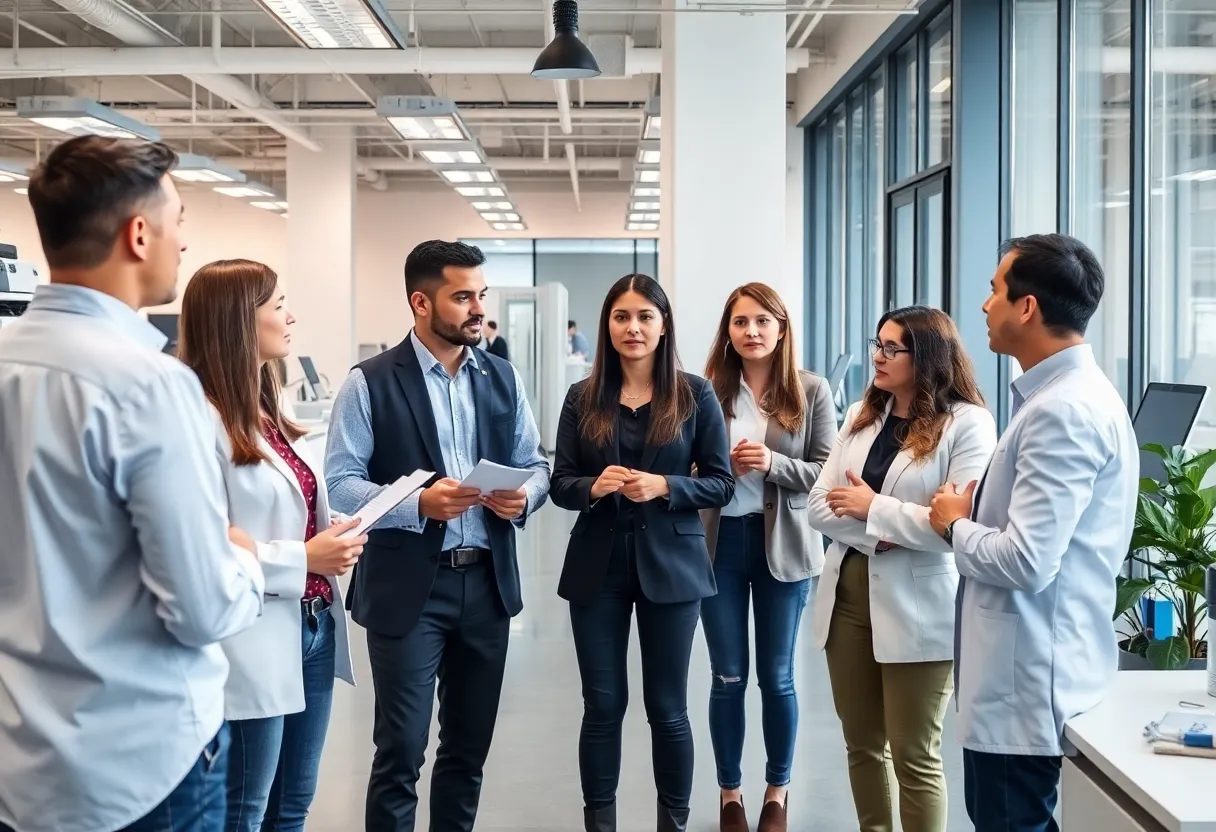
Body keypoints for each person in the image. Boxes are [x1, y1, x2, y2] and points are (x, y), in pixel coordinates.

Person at [0, 136, 266, 832]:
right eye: (179, 220)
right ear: (139, 234)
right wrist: (241, 553)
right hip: (144, 768)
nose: (185, 241)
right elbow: (203, 610)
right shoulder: (149, 387)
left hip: (19, 764)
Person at [324, 239, 551, 832]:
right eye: (462, 297)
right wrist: (417, 503)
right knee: (399, 753)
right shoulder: (369, 382)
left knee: (466, 755)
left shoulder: (502, 377)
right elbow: (341, 485)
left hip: (487, 587)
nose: (477, 308)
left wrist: (524, 495)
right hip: (409, 593)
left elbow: (537, 462)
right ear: (420, 303)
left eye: (480, 294)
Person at [929, 234, 1138, 832]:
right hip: (1028, 674)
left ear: (1027, 307)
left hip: (1025, 688)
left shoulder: (1063, 411)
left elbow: (1026, 560)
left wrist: (954, 525)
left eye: (995, 290)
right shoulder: (1063, 397)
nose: (984, 305)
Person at [178, 259, 365, 831]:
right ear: (240, 320)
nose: (291, 316)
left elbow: (280, 510)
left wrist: (332, 528)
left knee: (291, 809)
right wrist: (303, 558)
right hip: (250, 635)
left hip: (310, 627)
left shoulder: (264, 409)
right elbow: (202, 541)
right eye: (278, 304)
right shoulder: (198, 420)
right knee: (244, 811)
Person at [550, 273, 735, 832]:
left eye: (645, 316)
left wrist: (668, 487)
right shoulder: (582, 397)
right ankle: (600, 824)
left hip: (673, 567)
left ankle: (671, 824)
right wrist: (593, 486)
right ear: (607, 326)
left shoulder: (695, 393)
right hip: (596, 568)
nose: (633, 327)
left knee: (668, 708)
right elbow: (560, 482)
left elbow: (723, 484)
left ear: (662, 325)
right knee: (602, 707)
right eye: (622, 316)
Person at [808, 306, 996, 832]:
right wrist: (887, 530)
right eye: (878, 343)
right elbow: (820, 506)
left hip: (919, 605)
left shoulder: (968, 425)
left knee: (914, 754)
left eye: (893, 348)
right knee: (862, 744)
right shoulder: (861, 416)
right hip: (848, 592)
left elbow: (958, 526)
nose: (878, 356)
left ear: (929, 357)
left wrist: (873, 510)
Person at [698, 283, 837, 832]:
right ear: (727, 332)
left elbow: (826, 473)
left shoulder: (812, 390)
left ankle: (777, 793)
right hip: (719, 546)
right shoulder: (705, 391)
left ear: (781, 328)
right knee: (727, 675)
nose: (751, 332)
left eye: (761, 321)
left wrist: (771, 463)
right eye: (740, 322)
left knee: (777, 677)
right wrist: (716, 474)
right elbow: (686, 471)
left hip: (783, 545)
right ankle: (730, 795)